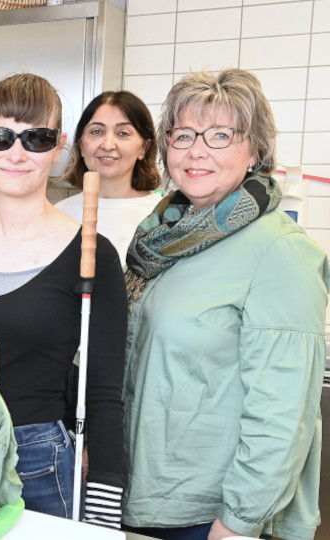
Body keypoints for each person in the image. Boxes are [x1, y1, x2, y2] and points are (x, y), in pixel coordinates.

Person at [122, 69, 330, 540]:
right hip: (148, 494)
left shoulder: (281, 251)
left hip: (212, 514)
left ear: (255, 151)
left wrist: (238, 521)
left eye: (220, 135)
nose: (197, 150)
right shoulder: (162, 235)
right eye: (183, 135)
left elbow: (282, 416)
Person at [0, 74, 126, 527]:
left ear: (59, 147)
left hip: (37, 463)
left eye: (36, 138)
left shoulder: (91, 254)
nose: (16, 153)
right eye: (1, 136)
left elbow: (105, 393)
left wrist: (104, 513)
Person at [55, 91, 163, 264]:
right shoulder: (59, 214)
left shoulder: (162, 215)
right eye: (97, 131)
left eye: (123, 133)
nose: (107, 145)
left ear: (144, 147)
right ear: (81, 145)